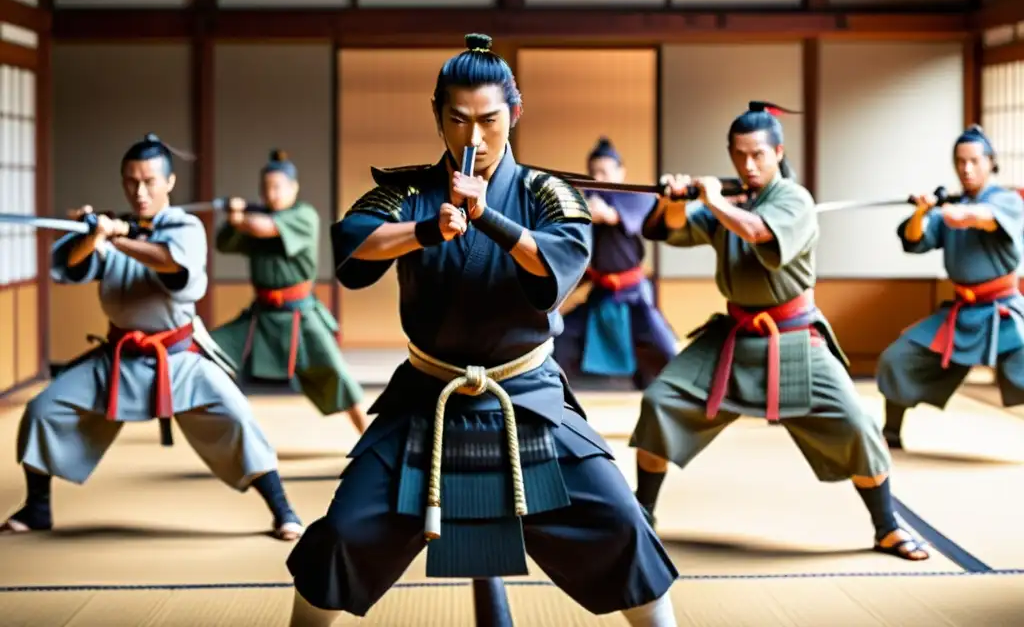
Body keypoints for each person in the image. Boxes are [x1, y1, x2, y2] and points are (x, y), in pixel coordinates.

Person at [285, 34, 679, 627]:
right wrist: (424, 231)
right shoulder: (408, 191)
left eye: (490, 120)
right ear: (437, 116)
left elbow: (559, 260)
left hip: (528, 394)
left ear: (514, 116)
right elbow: (351, 241)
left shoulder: (548, 192)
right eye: (458, 120)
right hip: (427, 395)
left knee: (623, 525)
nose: (474, 138)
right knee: (343, 533)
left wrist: (486, 218)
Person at [629, 102, 929, 562]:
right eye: (739, 155)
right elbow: (669, 230)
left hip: (793, 337)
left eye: (758, 155)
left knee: (856, 424)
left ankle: (886, 526)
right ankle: (642, 514)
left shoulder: (793, 199)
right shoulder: (732, 203)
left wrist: (712, 201)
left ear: (777, 152)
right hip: (733, 335)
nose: (748, 165)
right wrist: (672, 201)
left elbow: (757, 233)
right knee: (660, 402)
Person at [0, 134, 303, 542]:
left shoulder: (186, 227)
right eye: (131, 182)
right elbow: (72, 268)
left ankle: (282, 510)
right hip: (117, 358)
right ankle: (37, 508)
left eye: (149, 181)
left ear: (169, 183)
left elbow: (171, 264)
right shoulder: (109, 227)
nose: (140, 191)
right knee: (42, 410)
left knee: (240, 419)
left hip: (179, 357)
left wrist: (116, 238)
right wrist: (92, 236)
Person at [877, 125, 1024, 449]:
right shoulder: (948, 209)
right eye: (960, 162)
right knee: (898, 358)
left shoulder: (1006, 200)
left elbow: (983, 217)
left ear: (990, 162)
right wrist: (921, 212)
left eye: (974, 161)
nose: (966, 169)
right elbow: (914, 239)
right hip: (962, 312)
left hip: (1004, 310)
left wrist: (952, 211)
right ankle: (890, 432)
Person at [211, 150, 367, 433]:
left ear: (294, 188)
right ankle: (223, 427)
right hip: (261, 315)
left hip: (301, 313)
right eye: (265, 188)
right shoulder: (254, 218)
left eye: (277, 187)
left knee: (338, 375)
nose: (271, 194)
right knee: (210, 352)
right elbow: (224, 243)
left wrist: (240, 217)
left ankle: (369, 436)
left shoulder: (303, 215)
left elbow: (264, 228)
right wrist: (236, 218)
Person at [554, 137, 677, 389]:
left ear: (620, 173)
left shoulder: (635, 197)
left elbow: (608, 215)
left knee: (663, 344)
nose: (598, 177)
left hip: (634, 295)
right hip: (601, 294)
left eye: (604, 171)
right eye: (593, 172)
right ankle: (557, 394)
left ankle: (680, 391)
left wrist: (600, 212)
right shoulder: (585, 200)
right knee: (561, 337)